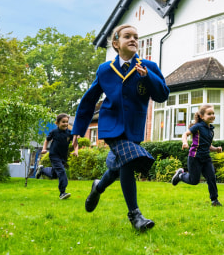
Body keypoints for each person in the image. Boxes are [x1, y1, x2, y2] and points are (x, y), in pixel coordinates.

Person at [72, 24, 169, 231]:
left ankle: (98, 187)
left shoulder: (149, 66)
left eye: (136, 36)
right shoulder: (105, 70)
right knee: (129, 161)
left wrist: (147, 77)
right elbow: (89, 100)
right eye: (127, 36)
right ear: (116, 43)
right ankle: (135, 215)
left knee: (121, 166)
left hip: (135, 126)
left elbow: (162, 95)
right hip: (111, 124)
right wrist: (78, 130)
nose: (133, 39)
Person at [171, 104, 223, 206]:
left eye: (213, 113)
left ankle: (214, 200)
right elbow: (185, 134)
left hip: (206, 158)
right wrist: (185, 142)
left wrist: (216, 149)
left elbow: (208, 146)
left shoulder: (211, 130)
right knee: (194, 181)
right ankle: (181, 175)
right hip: (195, 157)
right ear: (202, 116)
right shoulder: (198, 126)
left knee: (211, 177)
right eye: (209, 114)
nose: (212, 115)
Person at [36, 113, 74, 200]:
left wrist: (75, 150)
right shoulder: (54, 132)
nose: (65, 124)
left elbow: (74, 141)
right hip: (54, 155)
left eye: (67, 122)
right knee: (62, 172)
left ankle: (42, 170)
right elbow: (47, 140)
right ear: (57, 123)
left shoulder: (69, 133)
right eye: (63, 122)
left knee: (54, 174)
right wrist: (44, 149)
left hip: (63, 157)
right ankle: (62, 193)